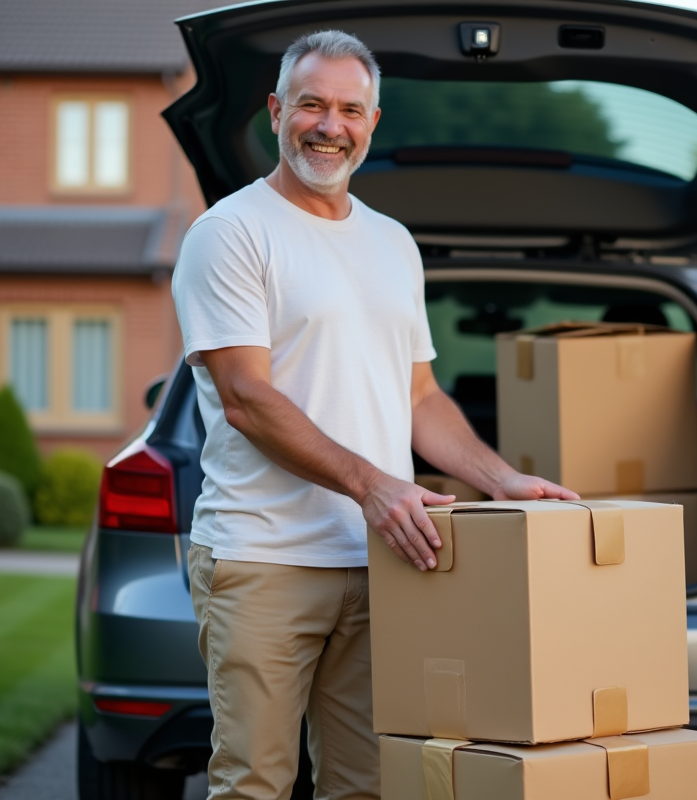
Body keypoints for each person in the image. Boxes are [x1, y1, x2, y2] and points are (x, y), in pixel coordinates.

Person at [171, 30, 577, 800]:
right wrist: (375, 488)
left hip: (380, 563)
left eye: (349, 110)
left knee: (364, 784)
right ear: (275, 110)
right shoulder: (229, 234)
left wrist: (502, 480)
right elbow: (248, 399)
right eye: (312, 105)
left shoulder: (392, 243)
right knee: (254, 782)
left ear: (374, 121)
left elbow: (418, 396)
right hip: (266, 559)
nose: (331, 126)